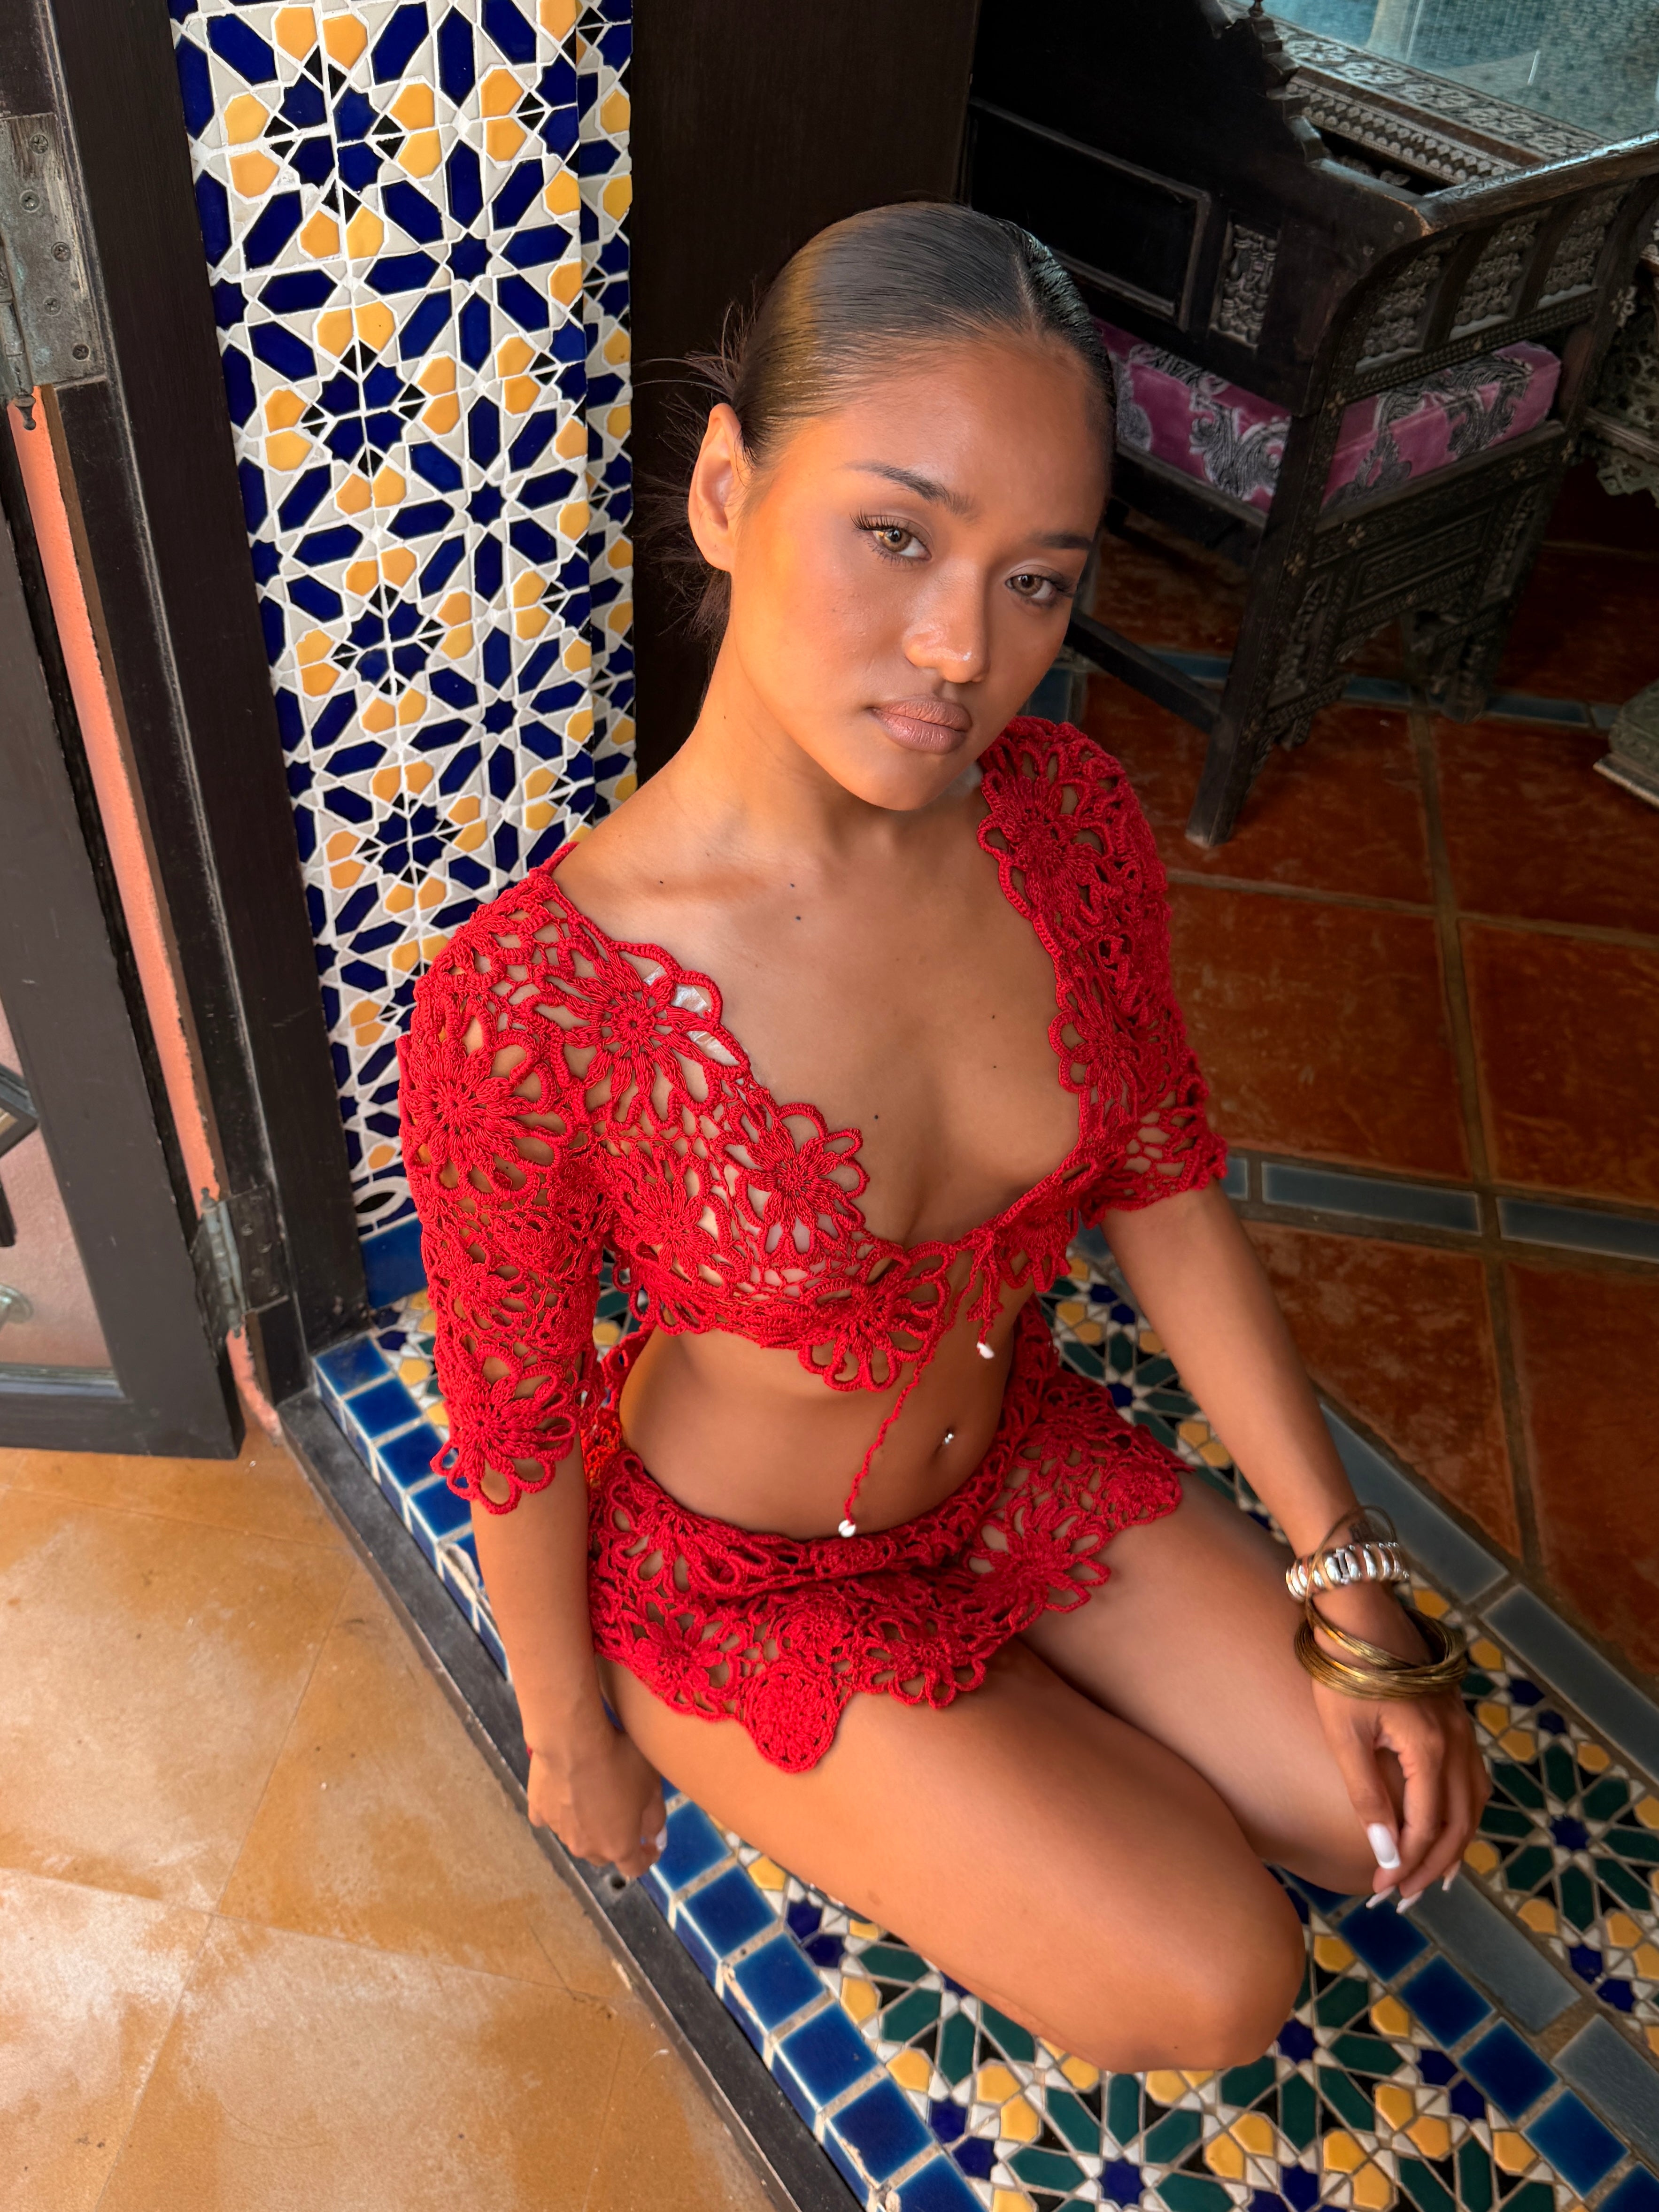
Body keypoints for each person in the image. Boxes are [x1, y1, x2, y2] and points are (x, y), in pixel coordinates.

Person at [399, 202, 1487, 2071]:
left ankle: (1027, 1731)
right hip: (741, 1579)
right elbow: (508, 1424)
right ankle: (856, 1746)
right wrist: (563, 1731)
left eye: (1036, 581)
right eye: (895, 534)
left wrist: (1340, 1560)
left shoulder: (1064, 819)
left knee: (1375, 1813)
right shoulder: (536, 999)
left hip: (1013, 1463)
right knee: (1221, 1976)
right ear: (728, 491)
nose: (957, 650)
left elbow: (1161, 1185)